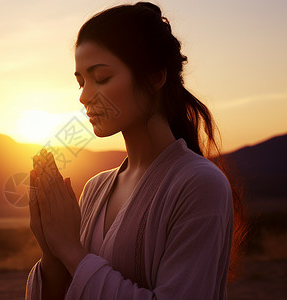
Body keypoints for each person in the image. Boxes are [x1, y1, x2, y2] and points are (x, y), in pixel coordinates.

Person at [25, 2, 246, 299]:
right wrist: (52, 254)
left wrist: (71, 249)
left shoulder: (199, 184)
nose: (85, 96)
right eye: (81, 82)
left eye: (101, 78)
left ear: (155, 76)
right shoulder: (94, 188)